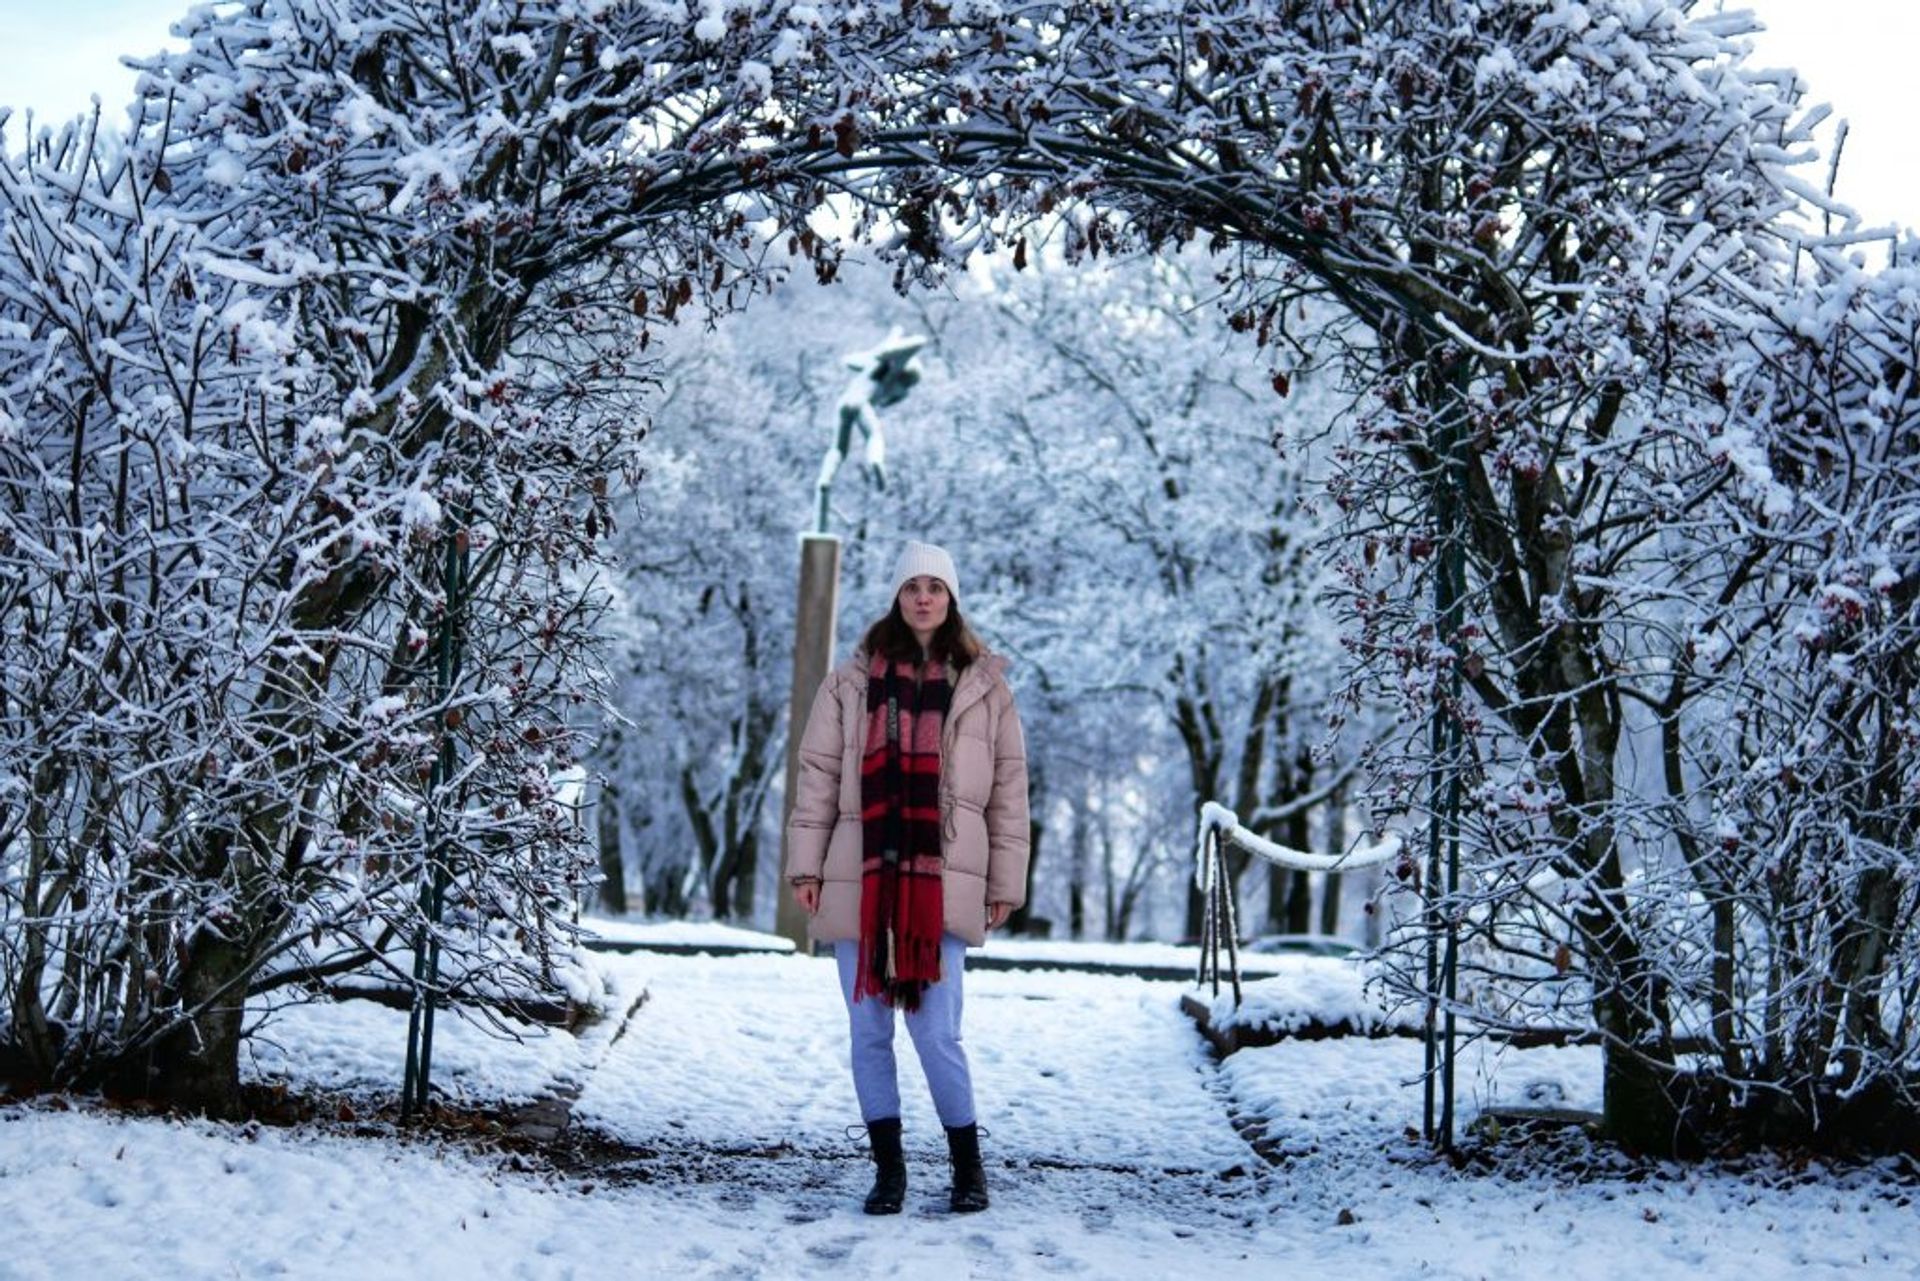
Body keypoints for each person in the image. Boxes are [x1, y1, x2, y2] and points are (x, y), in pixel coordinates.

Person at [785, 540, 1031, 1215]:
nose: (924, 596)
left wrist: (1003, 880)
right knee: (868, 1029)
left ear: (952, 599)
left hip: (945, 881)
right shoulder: (849, 681)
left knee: (937, 1031)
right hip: (855, 875)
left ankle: (967, 1166)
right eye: (912, 585)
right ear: (897, 595)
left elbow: (1010, 792)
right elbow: (816, 777)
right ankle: (888, 1169)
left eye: (936, 586)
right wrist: (806, 864)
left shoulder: (984, 686)